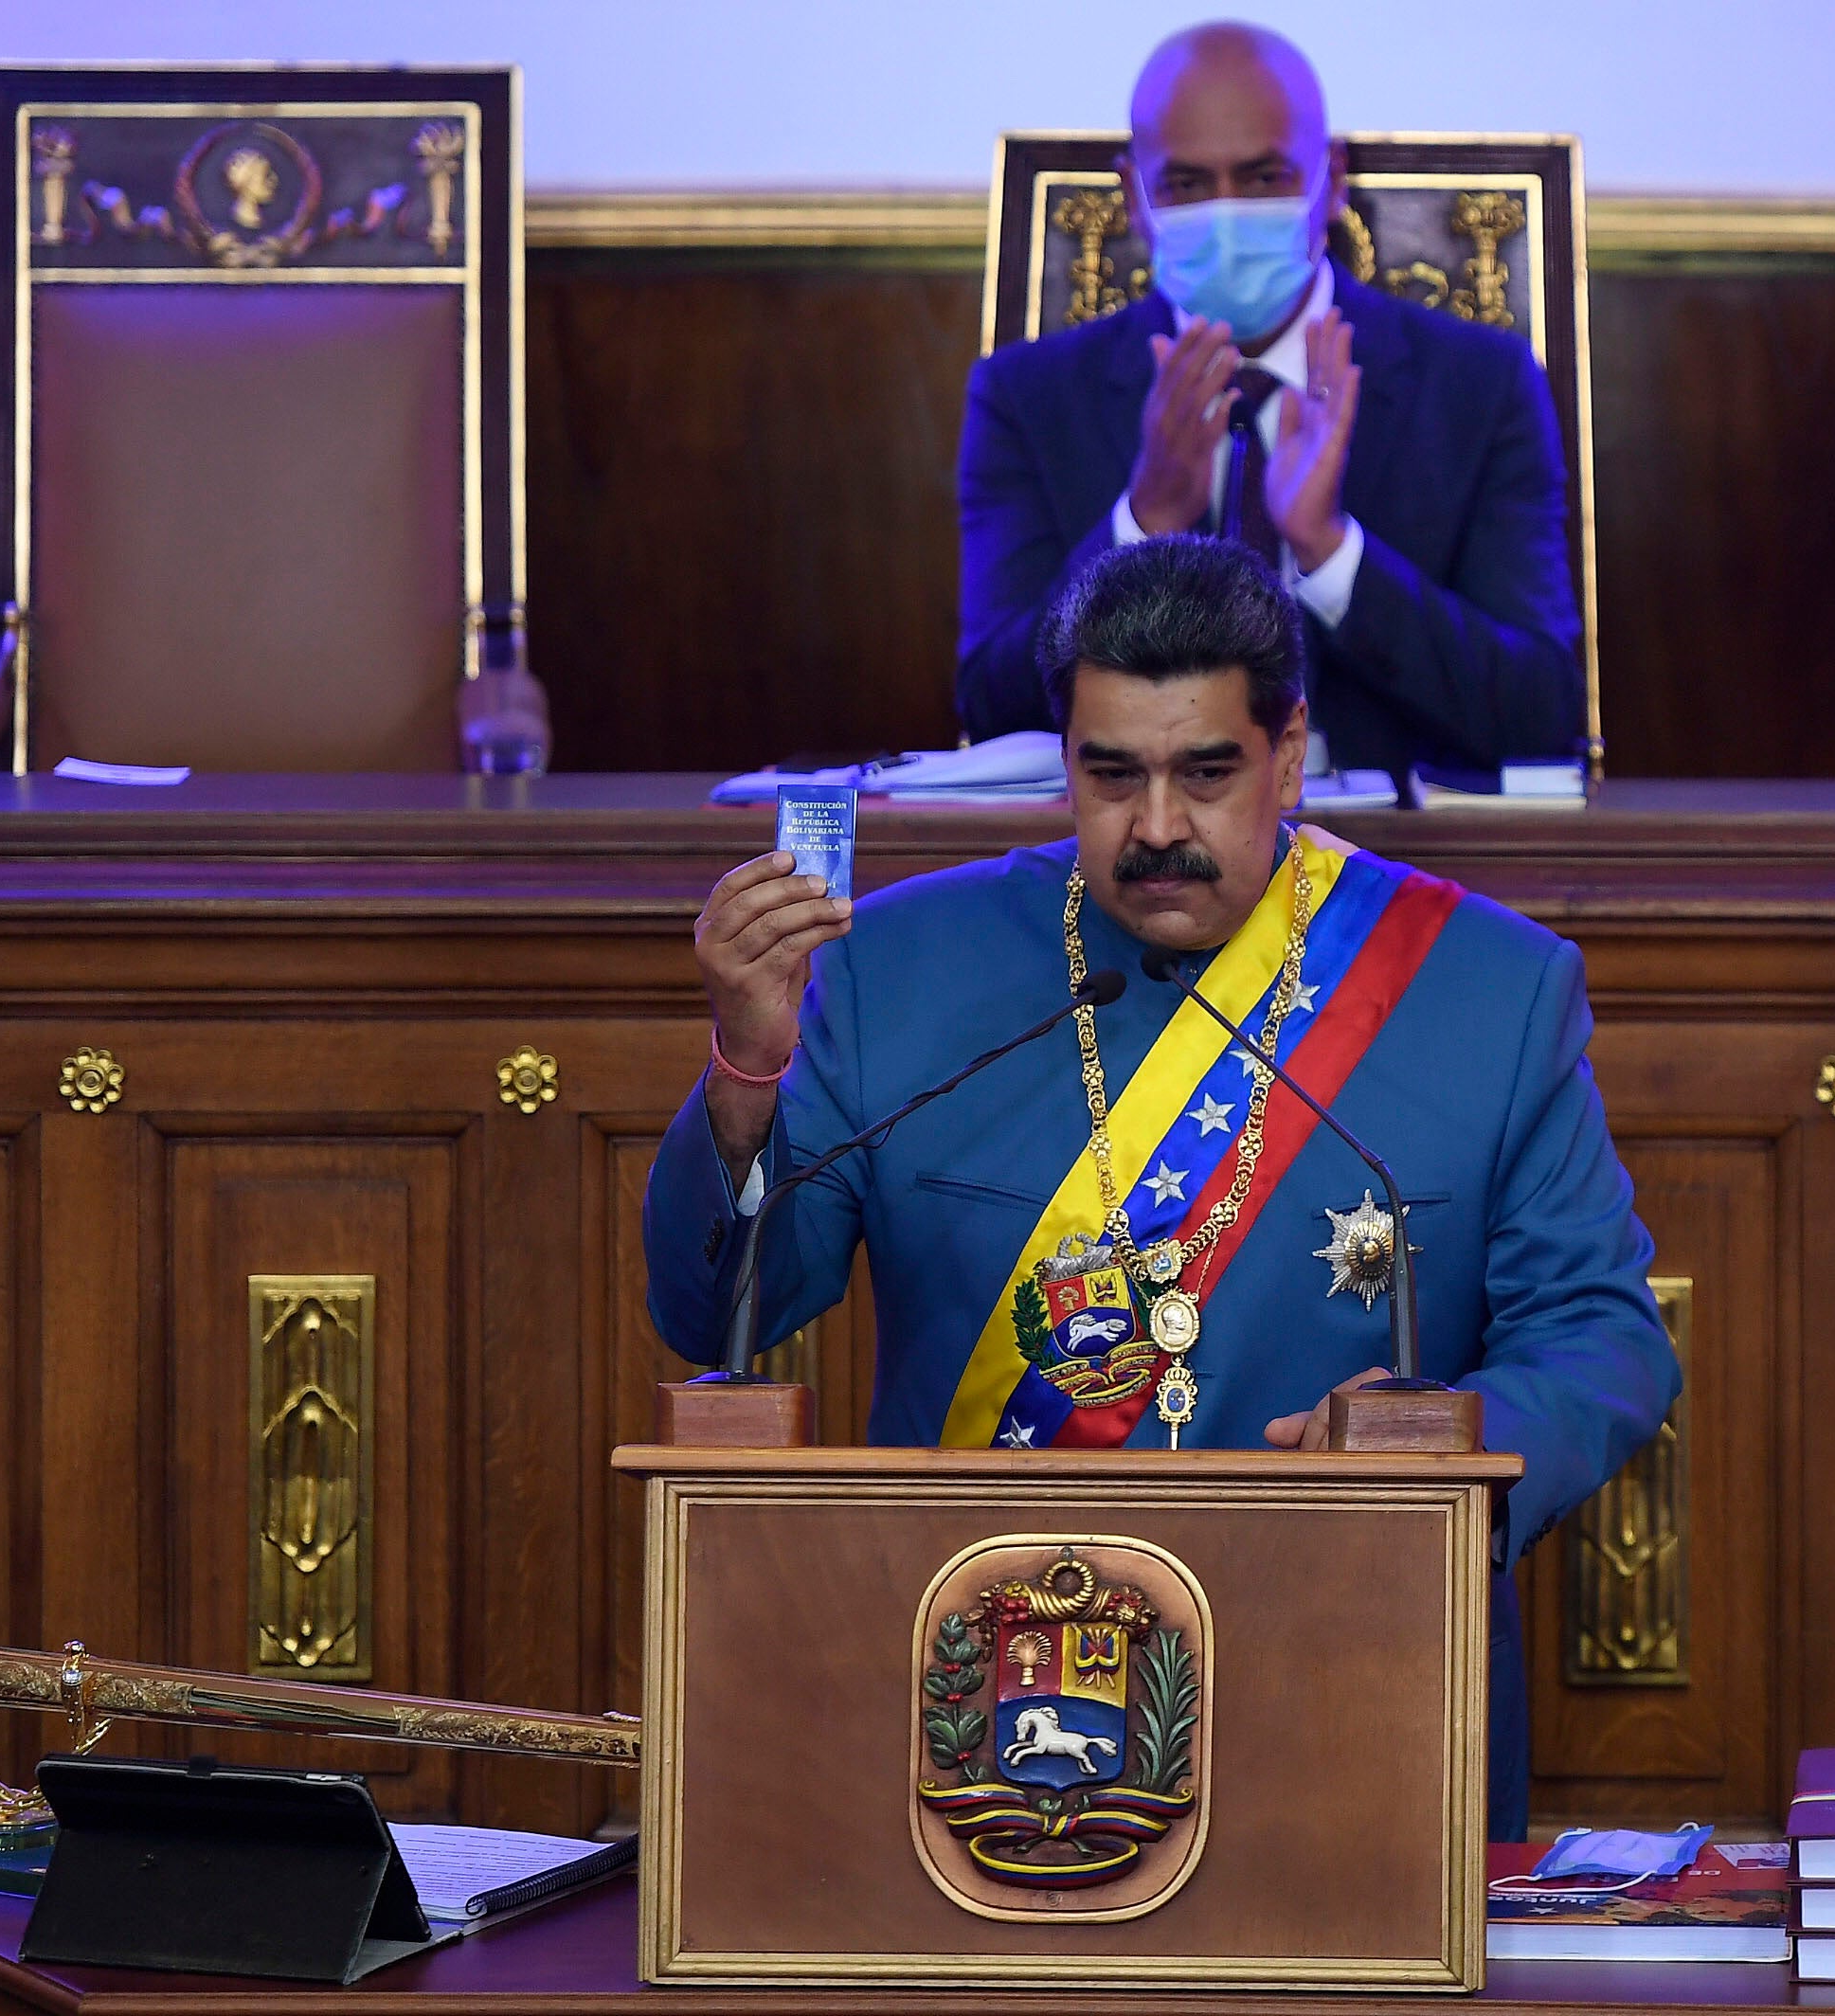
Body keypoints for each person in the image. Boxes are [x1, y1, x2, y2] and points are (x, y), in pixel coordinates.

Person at [647, 534, 1674, 1836]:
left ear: (1290, 751)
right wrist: (748, 1062)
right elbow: (717, 1311)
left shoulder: (1485, 991)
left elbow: (1603, 1336)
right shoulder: (898, 968)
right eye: (1111, 775)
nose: (1157, 830)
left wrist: (1445, 1457)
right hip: (979, 1713)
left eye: (1207, 774)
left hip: (1356, 1680)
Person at [954, 21, 1584, 777]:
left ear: (1332, 180)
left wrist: (1331, 550)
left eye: (1263, 179)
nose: (1227, 212)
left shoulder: (1479, 385)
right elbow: (990, 709)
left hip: (1391, 868)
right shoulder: (1029, 397)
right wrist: (1140, 523)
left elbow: (1541, 713)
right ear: (1134, 193)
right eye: (1186, 186)